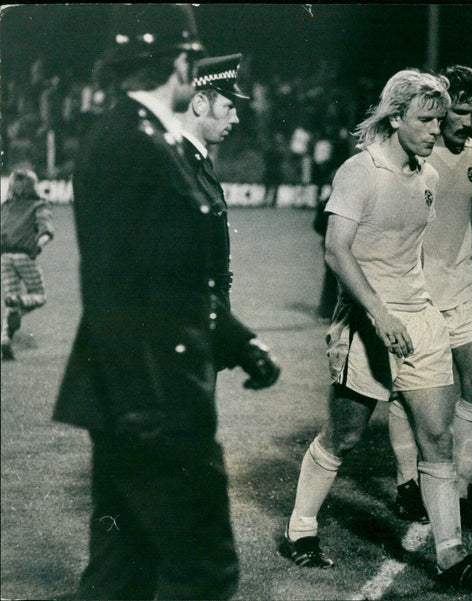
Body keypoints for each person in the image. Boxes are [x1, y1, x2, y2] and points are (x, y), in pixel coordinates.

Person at [53, 7, 280, 600]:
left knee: (122, 570)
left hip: (141, 391)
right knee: (206, 571)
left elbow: (170, 280)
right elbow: (118, 287)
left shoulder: (135, 136)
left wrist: (235, 340)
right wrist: (148, 408)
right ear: (181, 63)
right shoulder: (137, 143)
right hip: (153, 398)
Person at [280, 68, 472, 594]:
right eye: (425, 119)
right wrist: (379, 314)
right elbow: (336, 249)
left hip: (421, 321)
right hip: (367, 323)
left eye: (438, 119)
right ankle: (300, 530)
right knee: (346, 436)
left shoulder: (427, 177)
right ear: (396, 116)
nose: (435, 130)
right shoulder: (361, 171)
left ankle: (452, 556)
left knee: (437, 440)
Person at [387, 65, 472, 532]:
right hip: (419, 294)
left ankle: (464, 488)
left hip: (465, 288)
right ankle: (407, 483)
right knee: (408, 392)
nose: (467, 122)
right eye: (461, 112)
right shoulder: (415, 156)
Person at [178, 53, 249, 311]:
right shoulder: (180, 165)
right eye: (228, 107)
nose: (236, 118)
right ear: (199, 104)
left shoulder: (199, 160)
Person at [1, 167, 54, 361]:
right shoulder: (39, 205)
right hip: (24, 257)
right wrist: (43, 239)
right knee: (39, 296)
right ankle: (20, 302)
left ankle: (5, 340)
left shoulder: (6, 205)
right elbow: (45, 227)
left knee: (11, 302)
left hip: (4, 258)